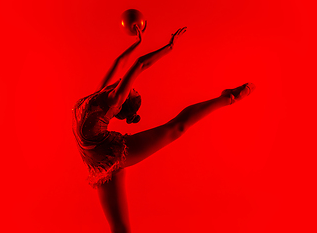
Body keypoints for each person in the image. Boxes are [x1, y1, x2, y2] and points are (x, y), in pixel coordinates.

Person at [72, 22, 256, 233]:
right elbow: (120, 63)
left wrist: (169, 47)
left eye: (131, 90)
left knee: (175, 129)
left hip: (106, 152)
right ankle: (228, 98)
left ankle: (228, 98)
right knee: (120, 228)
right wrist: (136, 43)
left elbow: (140, 64)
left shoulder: (112, 100)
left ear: (123, 101)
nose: (128, 85)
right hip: (97, 163)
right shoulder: (99, 94)